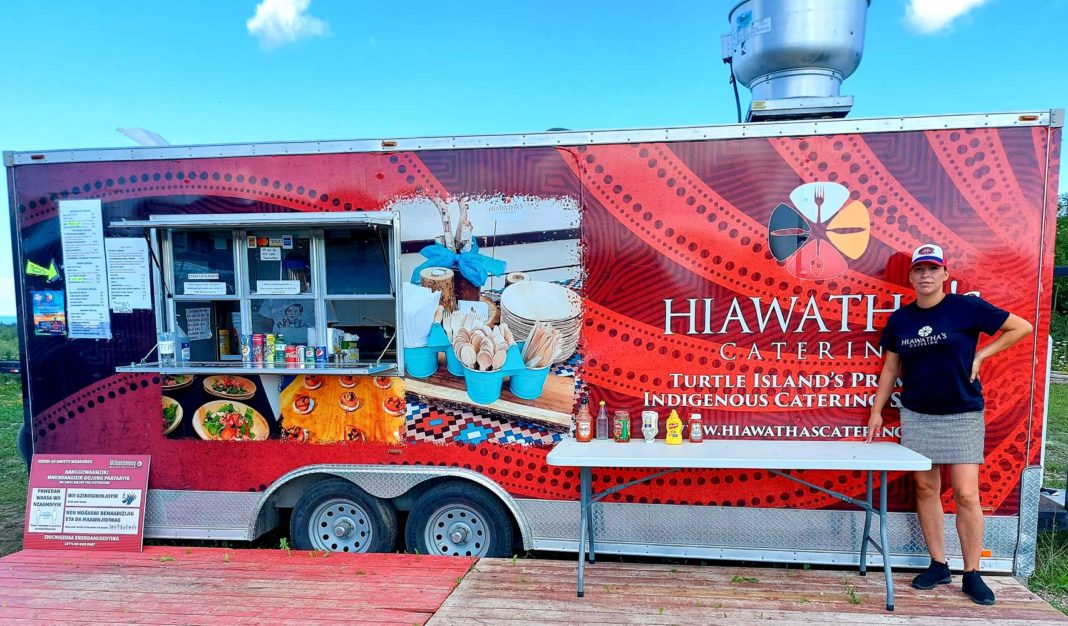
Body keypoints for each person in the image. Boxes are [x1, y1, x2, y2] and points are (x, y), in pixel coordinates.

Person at [867, 243, 1032, 606]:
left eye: (932, 269)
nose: (925, 275)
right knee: (926, 490)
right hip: (917, 414)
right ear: (911, 277)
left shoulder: (967, 308)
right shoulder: (901, 320)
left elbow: (1021, 327)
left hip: (962, 412)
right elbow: (891, 368)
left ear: (945, 274)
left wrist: (982, 355)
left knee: (966, 495)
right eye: (919, 270)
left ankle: (972, 573)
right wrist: (877, 411)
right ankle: (938, 565)